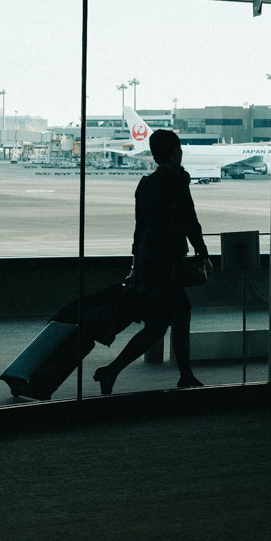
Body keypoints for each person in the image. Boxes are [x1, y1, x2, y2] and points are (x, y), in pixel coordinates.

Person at [93, 129, 211, 394]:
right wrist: (203, 253)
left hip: (149, 260)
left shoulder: (145, 183)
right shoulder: (177, 181)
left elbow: (139, 229)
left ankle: (185, 374)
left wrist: (135, 266)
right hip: (167, 263)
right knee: (163, 323)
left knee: (175, 316)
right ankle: (111, 371)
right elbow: (189, 221)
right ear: (173, 152)